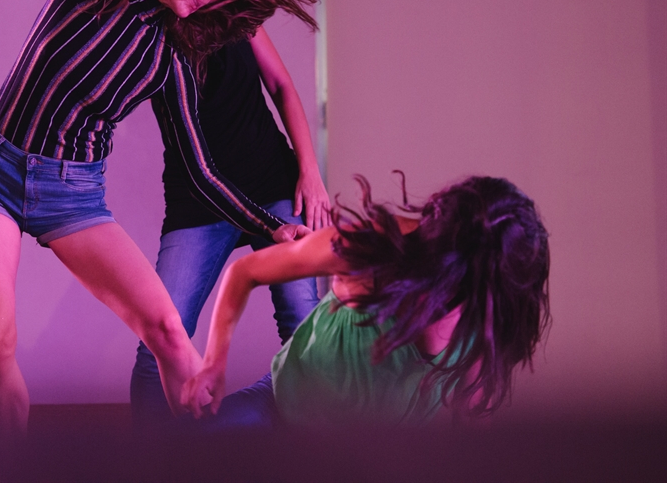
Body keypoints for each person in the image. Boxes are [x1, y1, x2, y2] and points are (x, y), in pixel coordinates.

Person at [0, 0, 317, 436]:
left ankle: (182, 462)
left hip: (71, 195)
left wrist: (273, 228)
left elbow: (201, 170)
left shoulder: (171, 60)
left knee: (170, 333)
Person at [183, 174, 551, 426]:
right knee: (185, 454)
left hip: (374, 451)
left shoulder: (488, 314)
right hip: (282, 405)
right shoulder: (375, 245)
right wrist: (214, 363)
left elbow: (472, 418)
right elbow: (245, 271)